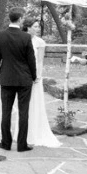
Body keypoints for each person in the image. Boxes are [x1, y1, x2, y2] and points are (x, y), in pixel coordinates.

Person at [0, 9, 36, 152]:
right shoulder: (26, 37)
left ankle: (6, 143)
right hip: (24, 79)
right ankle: (22, 145)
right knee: (24, 112)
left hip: (6, 78)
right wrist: (34, 76)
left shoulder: (0, 36)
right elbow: (31, 60)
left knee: (6, 112)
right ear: (20, 19)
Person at [23, 17, 62, 147]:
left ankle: (35, 132)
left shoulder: (39, 42)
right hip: (23, 76)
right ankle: (23, 132)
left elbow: (39, 61)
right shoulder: (22, 39)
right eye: (35, 26)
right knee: (24, 106)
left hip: (35, 77)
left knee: (35, 103)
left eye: (38, 26)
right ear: (28, 27)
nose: (37, 29)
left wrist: (37, 76)